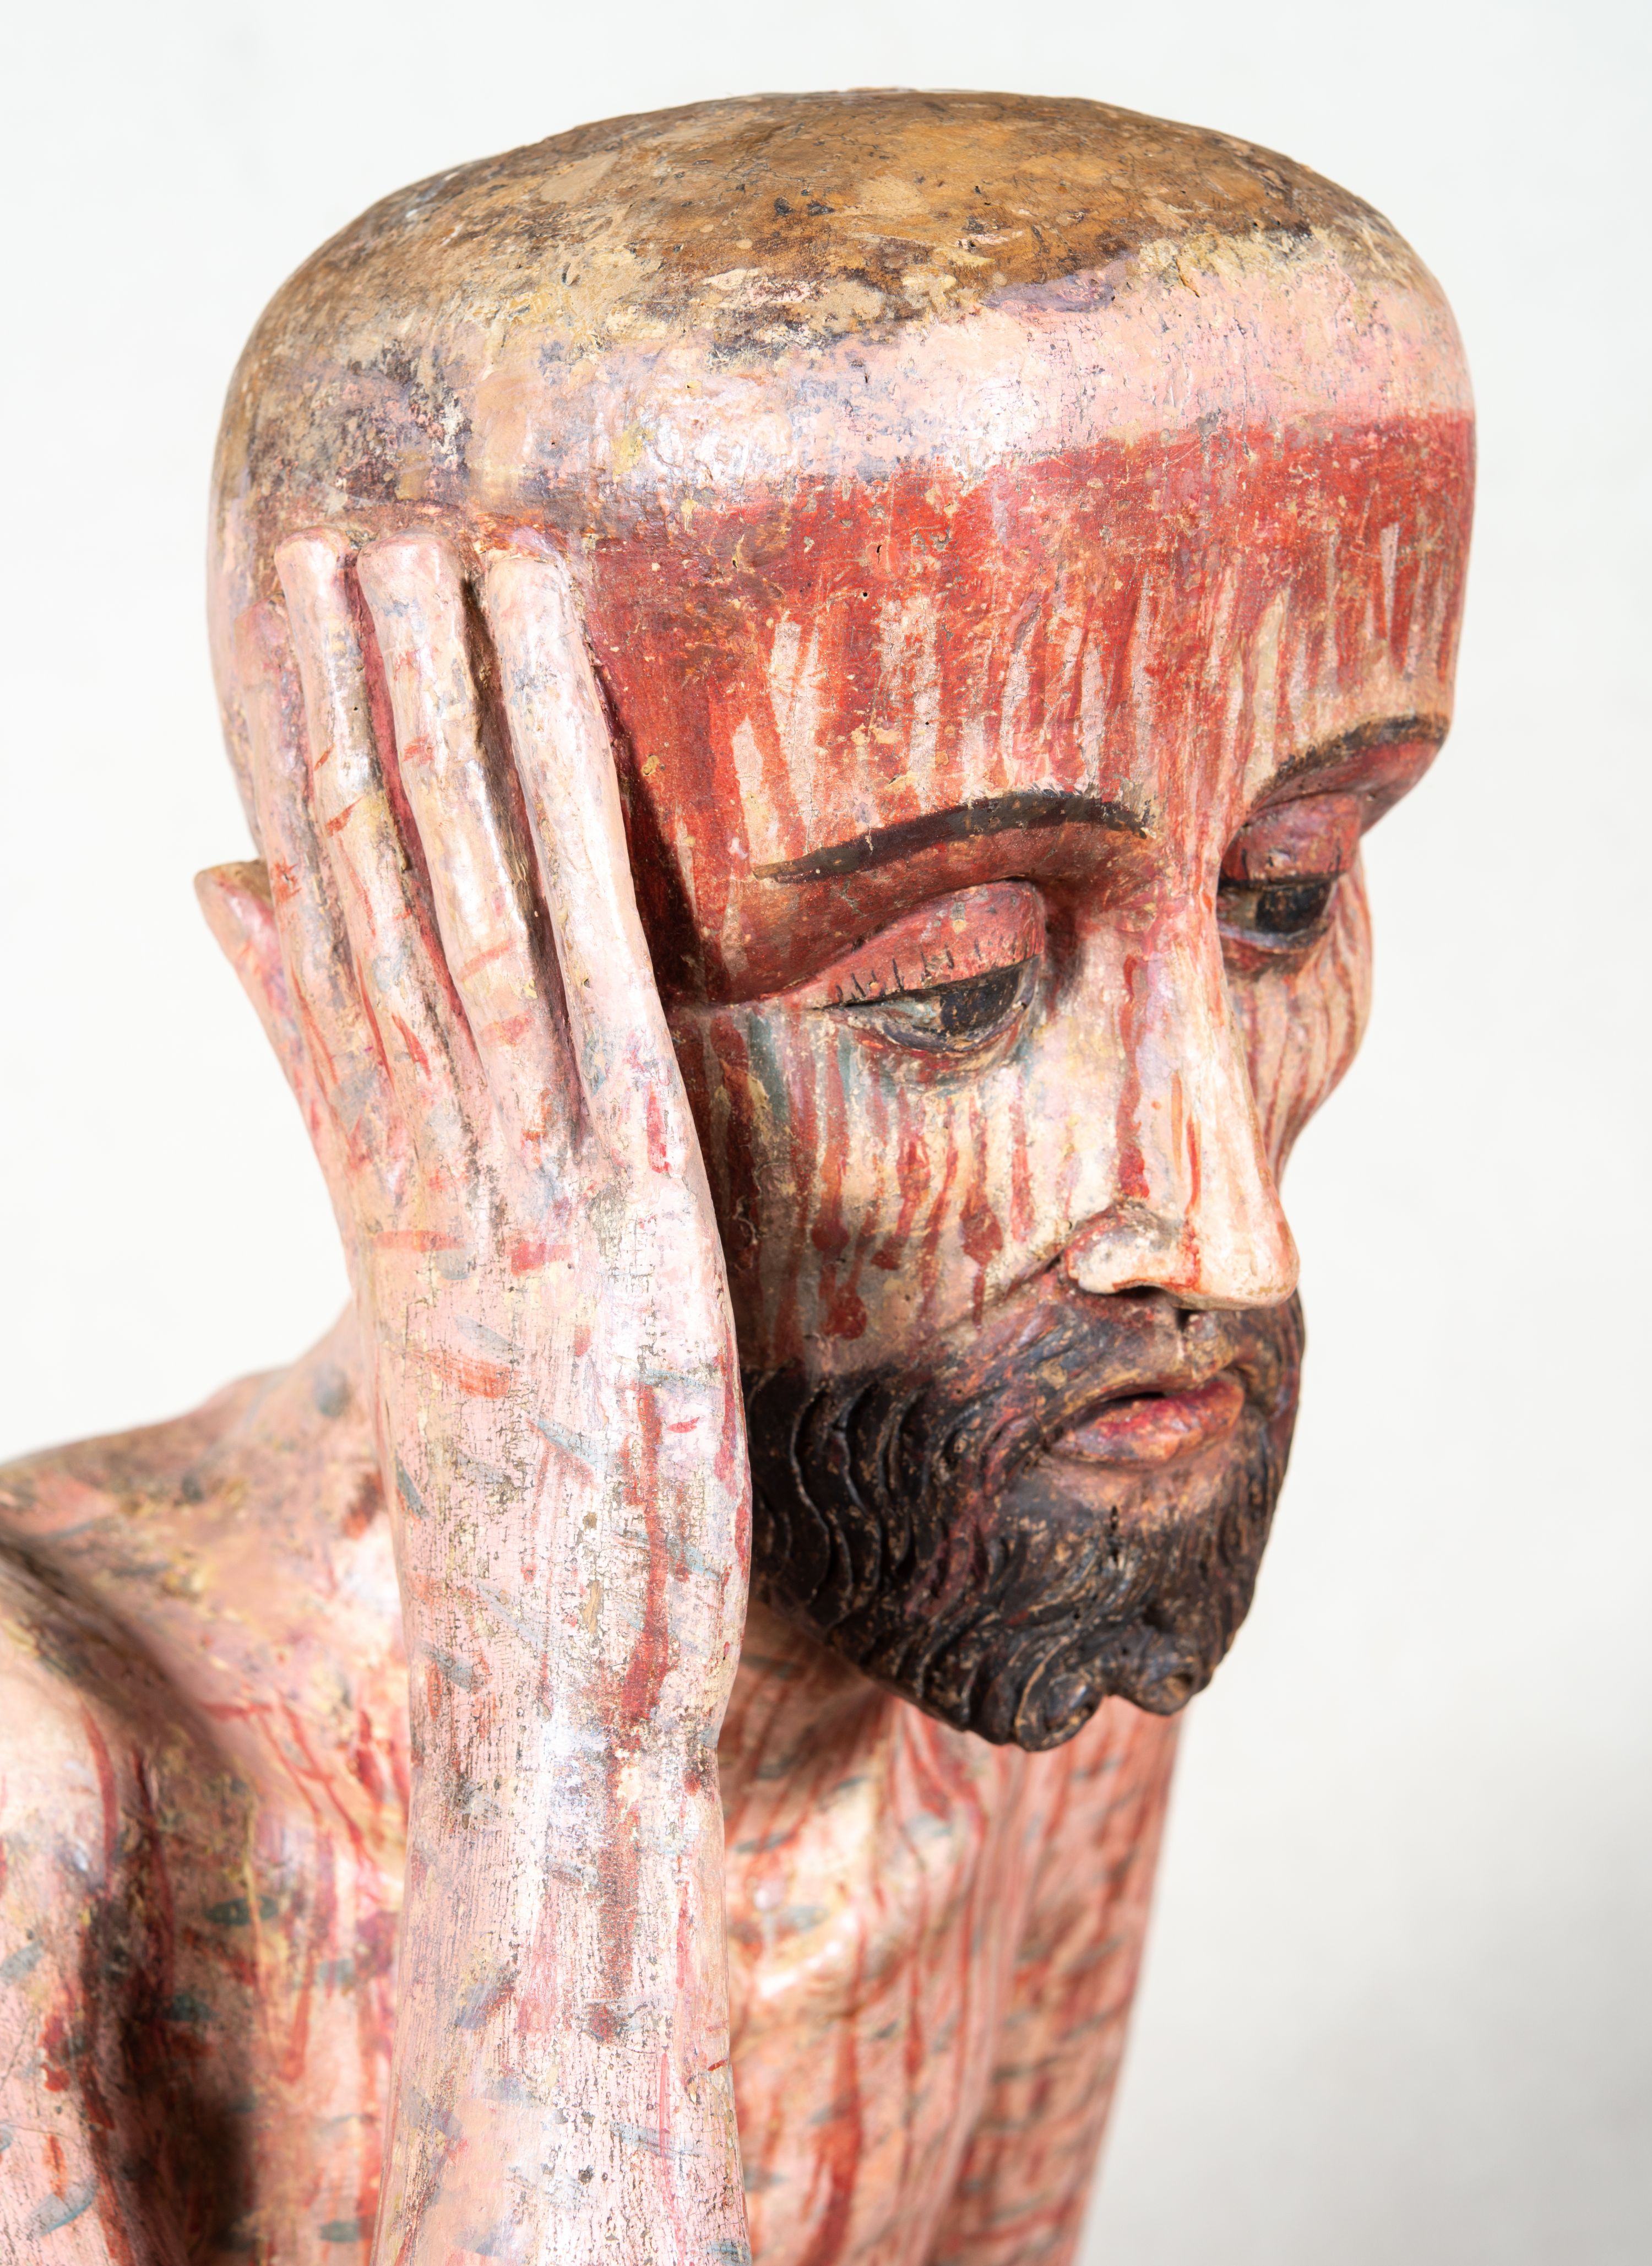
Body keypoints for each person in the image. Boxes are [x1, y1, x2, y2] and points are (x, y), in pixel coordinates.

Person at [0, 89, 1472, 2266]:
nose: (1221, 1234)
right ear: (406, 1006)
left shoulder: (1016, 1592)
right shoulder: (51, 1801)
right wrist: (562, 1718)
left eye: (1286, 894)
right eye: (951, 987)